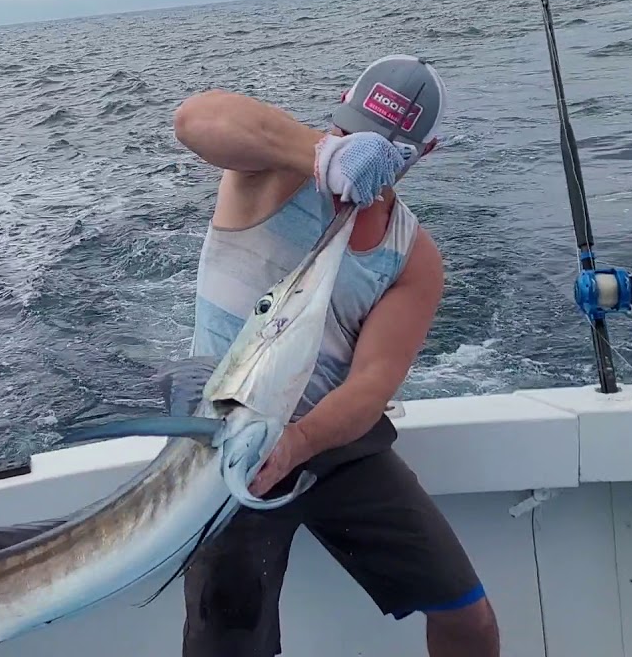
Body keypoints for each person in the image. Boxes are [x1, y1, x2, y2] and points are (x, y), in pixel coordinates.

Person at [169, 54, 500, 656]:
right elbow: (195, 118)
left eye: (388, 147)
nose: (362, 148)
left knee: (468, 618)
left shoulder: (413, 256)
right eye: (352, 133)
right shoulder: (269, 172)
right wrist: (322, 155)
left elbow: (372, 382)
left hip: (333, 439)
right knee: (227, 643)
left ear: (422, 154)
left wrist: (297, 443)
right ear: (338, 115)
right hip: (225, 439)